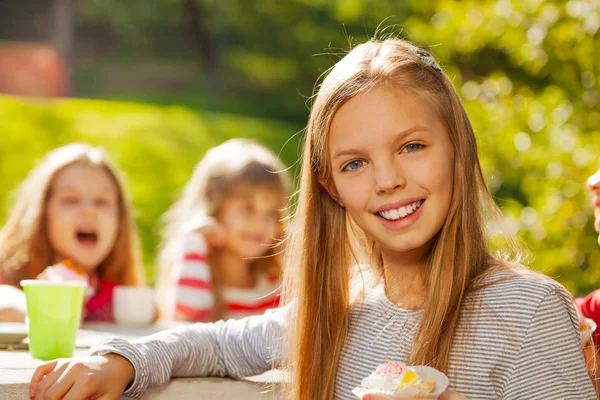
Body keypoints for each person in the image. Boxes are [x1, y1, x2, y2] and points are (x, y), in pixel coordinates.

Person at [29, 38, 596, 400]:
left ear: (459, 148)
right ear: (330, 188)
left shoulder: (527, 313)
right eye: (355, 163)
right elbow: (217, 345)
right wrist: (119, 360)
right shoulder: (335, 313)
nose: (387, 180)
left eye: (413, 146)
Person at [0, 143, 145, 323]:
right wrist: (32, 307)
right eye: (70, 200)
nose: (89, 211)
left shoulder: (116, 298)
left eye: (102, 202)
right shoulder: (4, 270)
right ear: (41, 212)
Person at [156, 138, 290, 321]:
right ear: (213, 208)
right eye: (247, 208)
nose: (260, 223)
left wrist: (294, 254)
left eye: (271, 213)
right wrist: (193, 242)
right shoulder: (195, 279)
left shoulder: (277, 286)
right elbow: (188, 315)